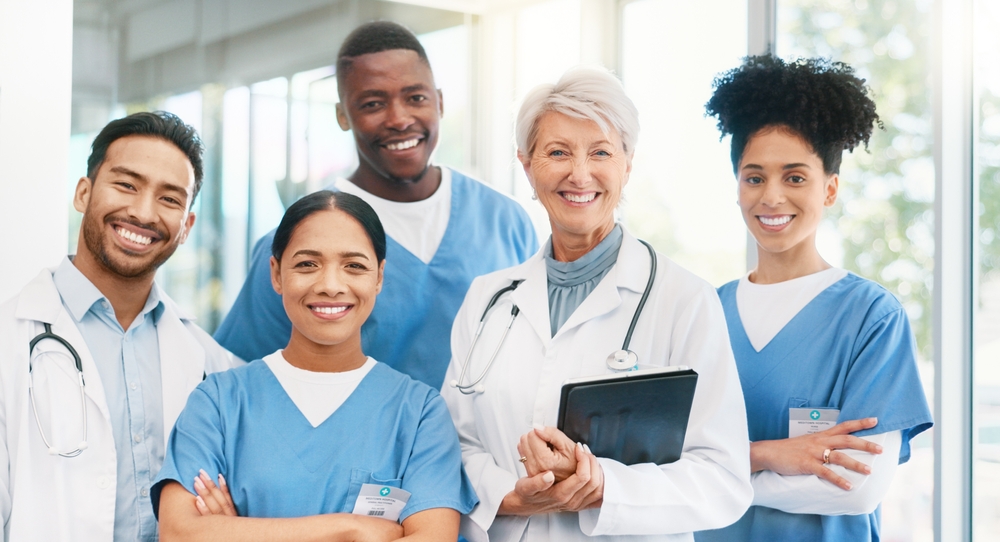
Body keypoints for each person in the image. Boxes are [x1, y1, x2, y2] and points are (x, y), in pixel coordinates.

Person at [440, 67, 753, 542]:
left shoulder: (684, 300)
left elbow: (722, 478)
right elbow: (454, 443)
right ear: (527, 166)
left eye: (601, 152)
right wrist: (513, 494)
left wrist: (604, 485)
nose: (579, 174)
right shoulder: (488, 298)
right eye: (558, 152)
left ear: (627, 164)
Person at [214, 21, 538, 389]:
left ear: (440, 102)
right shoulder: (296, 241)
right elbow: (244, 382)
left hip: (488, 447)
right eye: (372, 104)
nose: (399, 119)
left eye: (416, 98)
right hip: (349, 446)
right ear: (342, 115)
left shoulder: (505, 220)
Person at [696, 56, 933, 542]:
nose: (772, 197)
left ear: (830, 189)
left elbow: (856, 490)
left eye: (796, 177)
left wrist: (723, 473)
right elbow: (662, 461)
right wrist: (768, 456)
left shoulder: (870, 317)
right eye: (754, 177)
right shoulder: (704, 311)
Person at [153, 190, 477, 541]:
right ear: (276, 274)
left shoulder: (419, 414)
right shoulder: (218, 402)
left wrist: (235, 532)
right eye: (307, 264)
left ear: (379, 277)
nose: (331, 286)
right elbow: (180, 533)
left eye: (354, 266)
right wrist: (350, 529)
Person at [0, 111, 239, 542]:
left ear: (186, 227)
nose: (143, 212)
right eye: (126, 185)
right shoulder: (8, 340)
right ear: (83, 192)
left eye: (169, 199)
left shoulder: (209, 362)